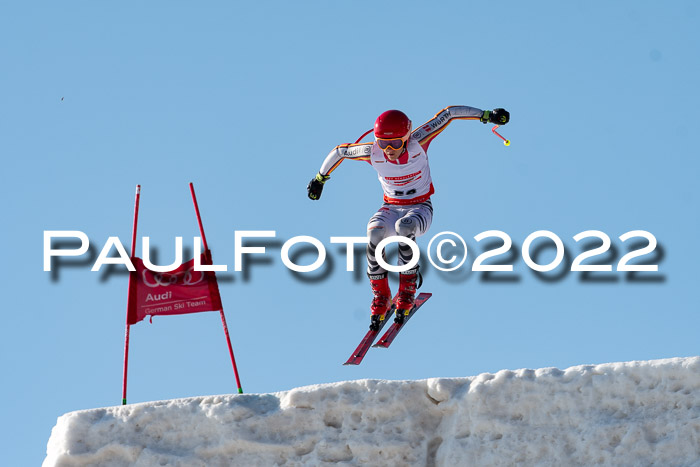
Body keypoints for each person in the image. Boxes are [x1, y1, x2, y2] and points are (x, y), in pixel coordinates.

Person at [307, 105, 510, 330]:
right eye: (383, 143)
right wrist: (319, 179)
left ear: (406, 138)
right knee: (374, 234)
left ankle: (407, 290)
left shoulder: (418, 143)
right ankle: (381, 296)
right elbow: (340, 152)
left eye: (394, 143)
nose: (389, 149)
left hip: (420, 207)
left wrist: (486, 115)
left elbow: (449, 114)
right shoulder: (372, 152)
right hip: (391, 206)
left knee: (405, 229)